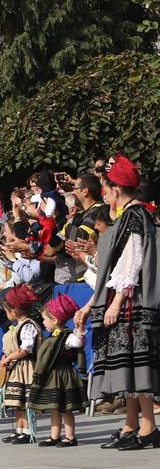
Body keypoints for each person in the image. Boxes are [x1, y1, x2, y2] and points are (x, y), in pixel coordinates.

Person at [75, 153, 160, 451]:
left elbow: (131, 263)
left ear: (118, 190)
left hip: (131, 300)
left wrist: (116, 302)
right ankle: (132, 423)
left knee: (137, 364)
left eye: (107, 189)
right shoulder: (130, 216)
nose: (105, 195)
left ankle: (148, 427)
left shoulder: (135, 216)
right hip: (124, 297)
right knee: (128, 366)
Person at [28, 295, 88, 447]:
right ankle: (54, 436)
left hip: (64, 375)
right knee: (54, 408)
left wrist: (80, 329)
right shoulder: (52, 337)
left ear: (54, 320)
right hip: (52, 376)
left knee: (66, 408)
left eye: (44, 319)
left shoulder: (67, 337)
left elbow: (78, 342)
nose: (43, 322)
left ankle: (70, 436)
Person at [0, 285, 42, 444]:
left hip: (27, 368)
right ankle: (19, 429)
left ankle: (28, 431)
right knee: (17, 402)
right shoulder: (17, 326)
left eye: (6, 310)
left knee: (25, 402)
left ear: (14, 311)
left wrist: (9, 358)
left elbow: (26, 349)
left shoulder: (28, 326)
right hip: (17, 369)